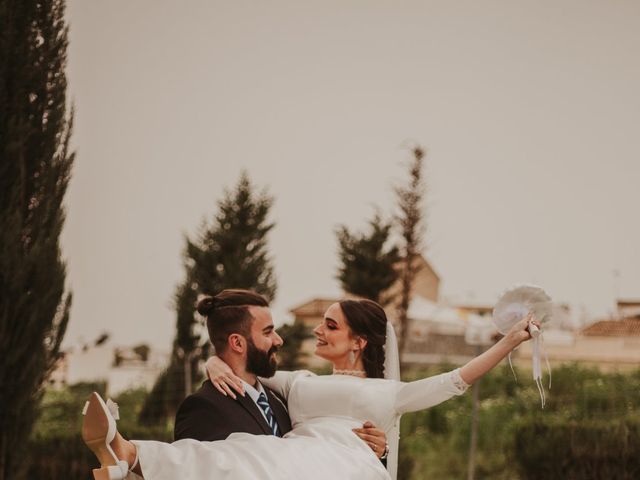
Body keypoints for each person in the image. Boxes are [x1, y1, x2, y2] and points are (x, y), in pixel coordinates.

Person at [82, 295, 538, 480]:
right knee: (239, 456)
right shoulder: (298, 383)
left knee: (249, 459)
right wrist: (211, 359)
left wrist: (510, 340)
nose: (318, 331)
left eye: (331, 325)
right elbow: (245, 361)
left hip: (341, 466)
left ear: (358, 342)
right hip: (292, 458)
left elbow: (456, 381)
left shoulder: (389, 393)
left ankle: (131, 459)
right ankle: (128, 455)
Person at [173, 289, 387, 456]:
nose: (279, 340)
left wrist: (379, 450)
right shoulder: (203, 408)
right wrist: (213, 362)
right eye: (268, 332)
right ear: (237, 342)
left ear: (359, 342)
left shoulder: (282, 401)